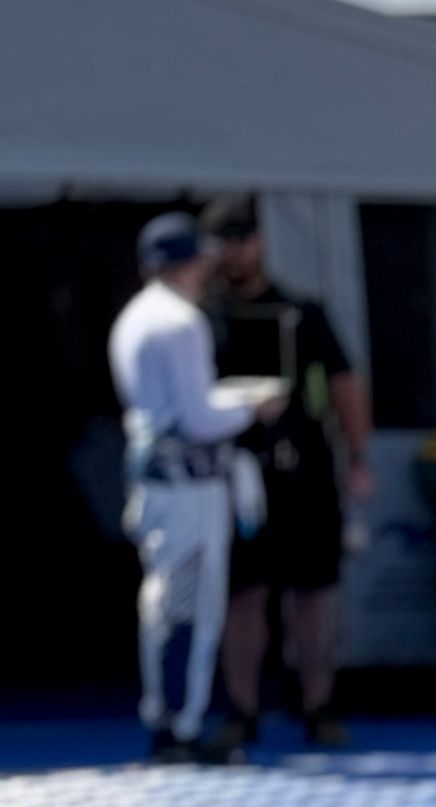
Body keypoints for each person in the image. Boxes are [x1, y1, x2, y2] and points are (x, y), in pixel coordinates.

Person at [107, 213, 275, 761]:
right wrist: (252, 405)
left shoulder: (135, 316)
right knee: (189, 607)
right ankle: (180, 724)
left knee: (167, 601)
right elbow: (200, 419)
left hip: (159, 483)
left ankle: (170, 718)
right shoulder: (180, 321)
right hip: (188, 487)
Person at [204, 197, 370, 747]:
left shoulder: (303, 313)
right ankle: (242, 710)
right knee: (242, 596)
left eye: (242, 239)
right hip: (235, 477)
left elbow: (345, 386)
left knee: (314, 595)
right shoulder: (204, 320)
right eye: (223, 241)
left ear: (260, 242)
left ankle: (318, 704)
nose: (235, 252)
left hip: (306, 474)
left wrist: (358, 458)